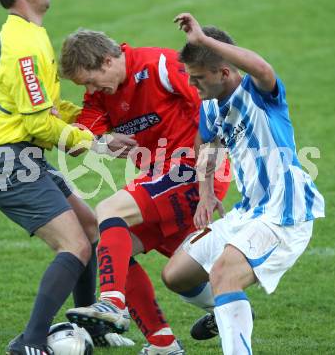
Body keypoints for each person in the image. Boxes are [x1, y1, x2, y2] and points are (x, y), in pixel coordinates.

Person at [0, 0, 131, 353]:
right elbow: (39, 124)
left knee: (91, 228)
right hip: (9, 164)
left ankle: (90, 323)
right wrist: (94, 143)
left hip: (25, 157)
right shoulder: (24, 46)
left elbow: (47, 109)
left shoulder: (31, 35)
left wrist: (94, 122)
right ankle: (30, 343)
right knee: (75, 246)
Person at [58, 28, 230, 354]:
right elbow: (79, 140)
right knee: (114, 248)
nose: (91, 90)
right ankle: (165, 342)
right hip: (162, 180)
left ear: (108, 60)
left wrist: (202, 168)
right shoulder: (100, 95)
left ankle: (110, 303)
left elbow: (212, 108)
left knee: (108, 211)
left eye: (91, 81)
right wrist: (96, 139)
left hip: (193, 171)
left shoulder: (160, 65)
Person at [161, 13, 325, 354]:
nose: (193, 85)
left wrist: (204, 40)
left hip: (285, 210)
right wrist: (206, 193)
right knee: (176, 275)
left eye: (198, 78)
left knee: (224, 273)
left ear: (224, 72)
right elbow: (206, 145)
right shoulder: (209, 106)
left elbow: (262, 68)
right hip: (248, 211)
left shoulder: (259, 92)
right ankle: (225, 312)